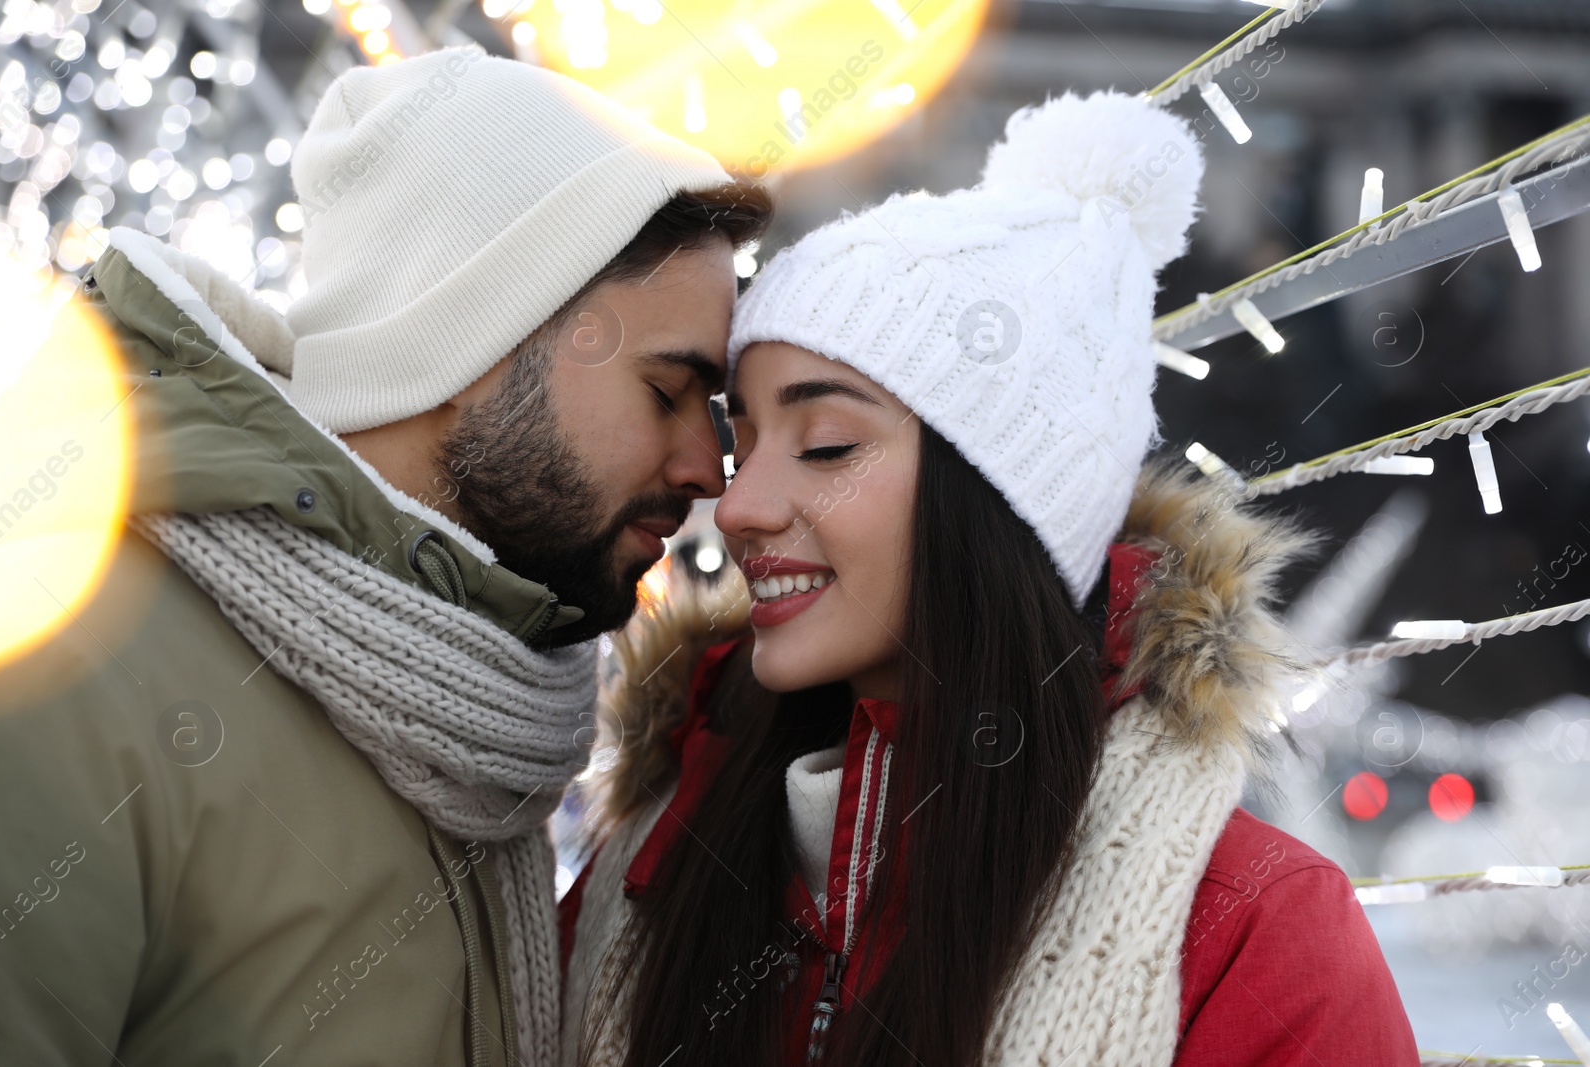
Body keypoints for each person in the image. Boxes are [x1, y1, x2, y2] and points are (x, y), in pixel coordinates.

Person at [560, 91, 1420, 1066]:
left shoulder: (1249, 930)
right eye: (742, 438)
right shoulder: (656, 851)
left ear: (1003, 500)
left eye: (828, 442)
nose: (743, 503)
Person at [0, 47, 769, 1067]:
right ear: (467, 341)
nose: (711, 470)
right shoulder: (64, 672)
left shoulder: (481, 715)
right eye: (667, 392)